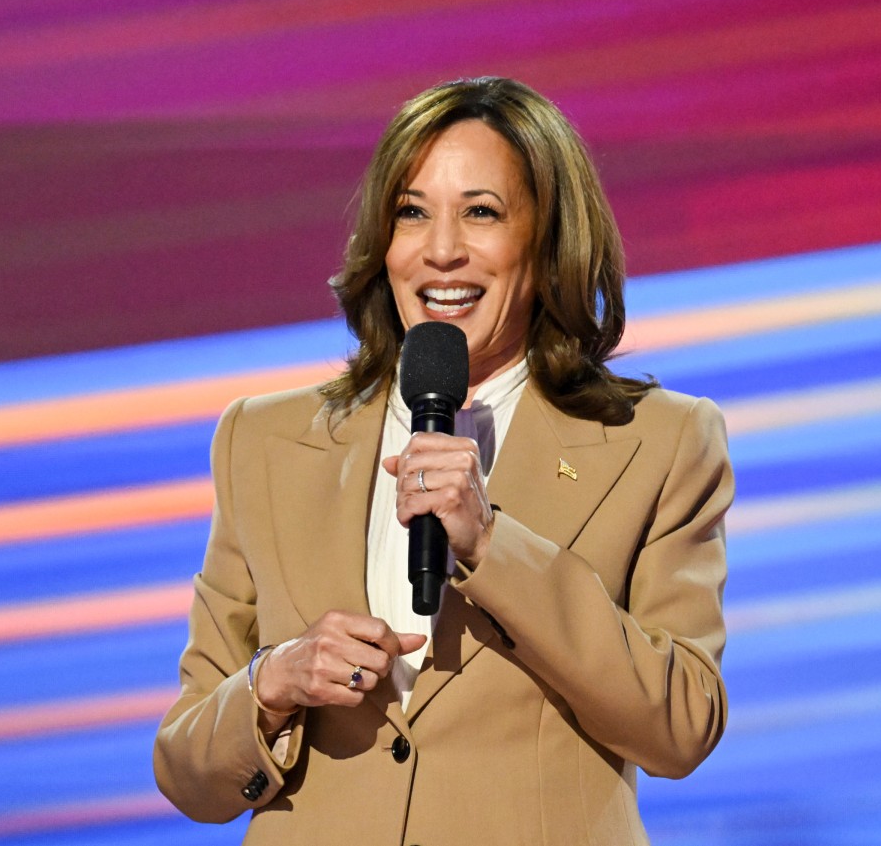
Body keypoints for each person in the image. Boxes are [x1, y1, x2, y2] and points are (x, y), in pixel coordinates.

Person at [153, 77, 732, 844]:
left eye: (482, 212)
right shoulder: (264, 440)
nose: (442, 249)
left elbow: (682, 724)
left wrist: (496, 547)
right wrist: (272, 683)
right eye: (412, 212)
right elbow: (187, 768)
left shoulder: (659, 439)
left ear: (548, 237)